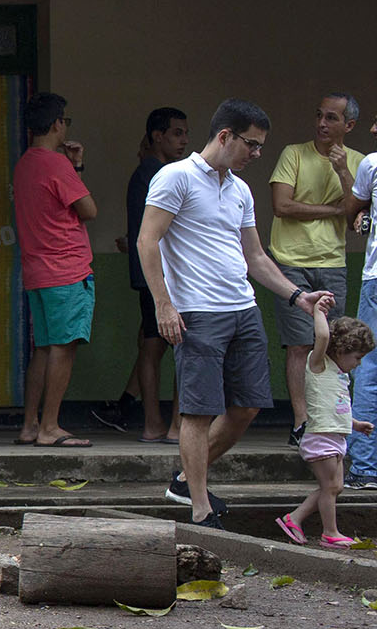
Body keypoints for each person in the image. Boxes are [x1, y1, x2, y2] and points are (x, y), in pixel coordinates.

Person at [137, 98, 327, 529]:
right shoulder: (176, 177)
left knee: (247, 407)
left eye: (261, 147)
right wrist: (164, 305)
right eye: (252, 145)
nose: (257, 155)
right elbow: (147, 242)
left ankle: (186, 480)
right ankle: (200, 508)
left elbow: (255, 256)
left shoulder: (239, 189)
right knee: (199, 412)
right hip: (197, 311)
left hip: (243, 308)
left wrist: (298, 295)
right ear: (225, 136)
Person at [267, 94, 362, 446]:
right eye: (319, 115)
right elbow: (282, 206)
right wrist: (333, 209)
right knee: (299, 344)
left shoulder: (358, 162)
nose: (322, 123)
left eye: (332, 118)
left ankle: (328, 419)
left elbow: (357, 217)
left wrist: (342, 172)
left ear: (348, 126)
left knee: (336, 343)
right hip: (291, 259)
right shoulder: (294, 153)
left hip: (334, 261)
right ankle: (301, 421)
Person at [94, 107, 189, 442]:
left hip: (153, 275)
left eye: (185, 133)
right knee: (165, 346)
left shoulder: (148, 172)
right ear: (157, 136)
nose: (184, 141)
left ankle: (154, 423)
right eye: (176, 133)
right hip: (164, 276)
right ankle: (166, 424)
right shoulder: (157, 173)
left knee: (152, 343)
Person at [11, 92, 97, 449]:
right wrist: (74, 166)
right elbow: (88, 209)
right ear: (57, 123)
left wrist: (72, 165)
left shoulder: (25, 163)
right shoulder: (54, 164)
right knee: (64, 347)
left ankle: (31, 424)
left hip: (38, 270)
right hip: (67, 268)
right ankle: (50, 427)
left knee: (44, 348)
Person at [277, 297, 374, 548]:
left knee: (334, 487)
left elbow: (332, 409)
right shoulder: (318, 364)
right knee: (330, 487)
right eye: (357, 357)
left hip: (335, 436)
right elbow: (322, 337)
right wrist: (319, 311)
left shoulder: (340, 376)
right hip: (321, 438)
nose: (358, 363)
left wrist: (354, 424)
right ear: (341, 350)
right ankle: (330, 532)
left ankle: (294, 518)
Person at [341, 120, 377, 491]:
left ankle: (366, 469)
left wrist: (363, 217)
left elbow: (352, 207)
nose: (372, 128)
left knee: (368, 369)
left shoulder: (372, 164)